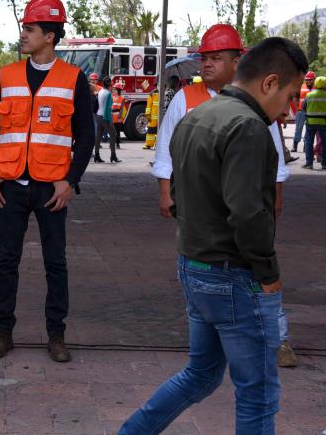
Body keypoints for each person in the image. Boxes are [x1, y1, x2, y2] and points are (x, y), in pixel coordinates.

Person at [121, 37, 309, 435]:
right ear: (270, 82)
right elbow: (248, 213)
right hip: (235, 276)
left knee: (201, 375)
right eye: (291, 96)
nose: (289, 110)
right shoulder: (249, 127)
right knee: (257, 396)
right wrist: (268, 273)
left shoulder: (198, 115)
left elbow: (182, 198)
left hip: (194, 267)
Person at [153, 24, 298, 368]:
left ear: (238, 62)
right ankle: (245, 338)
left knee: (250, 271)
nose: (206, 65)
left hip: (239, 212)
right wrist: (165, 193)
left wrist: (274, 200)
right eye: (204, 58)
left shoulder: (259, 107)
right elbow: (165, 150)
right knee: (243, 274)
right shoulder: (188, 99)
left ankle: (276, 338)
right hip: (209, 216)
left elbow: (273, 160)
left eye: (216, 58)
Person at [0, 0, 94, 363]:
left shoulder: (73, 79)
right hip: (10, 184)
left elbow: (87, 135)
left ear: (50, 35)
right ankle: (3, 332)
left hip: (51, 187)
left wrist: (71, 180)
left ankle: (56, 335)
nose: (23, 35)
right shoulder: (7, 75)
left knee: (55, 263)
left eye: (29, 29)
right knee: (6, 260)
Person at [301, 75, 326, 170]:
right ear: (325, 85)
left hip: (310, 122)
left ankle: (309, 164)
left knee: (309, 142)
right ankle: (324, 164)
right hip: (324, 123)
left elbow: (303, 108)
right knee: (325, 143)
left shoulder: (309, 95)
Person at [95, 77, 120, 163]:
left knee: (98, 136)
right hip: (105, 117)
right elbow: (108, 109)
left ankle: (96, 155)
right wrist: (110, 120)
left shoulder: (100, 91)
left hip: (98, 115)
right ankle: (113, 155)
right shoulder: (108, 94)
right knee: (113, 134)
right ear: (110, 84)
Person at [292, 71, 315, 152]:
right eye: (307, 79)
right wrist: (297, 107)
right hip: (301, 111)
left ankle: (306, 146)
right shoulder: (301, 86)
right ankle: (295, 146)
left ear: (314, 79)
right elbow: (295, 97)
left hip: (311, 112)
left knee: (309, 130)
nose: (308, 81)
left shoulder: (317, 88)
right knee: (298, 128)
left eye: (310, 80)